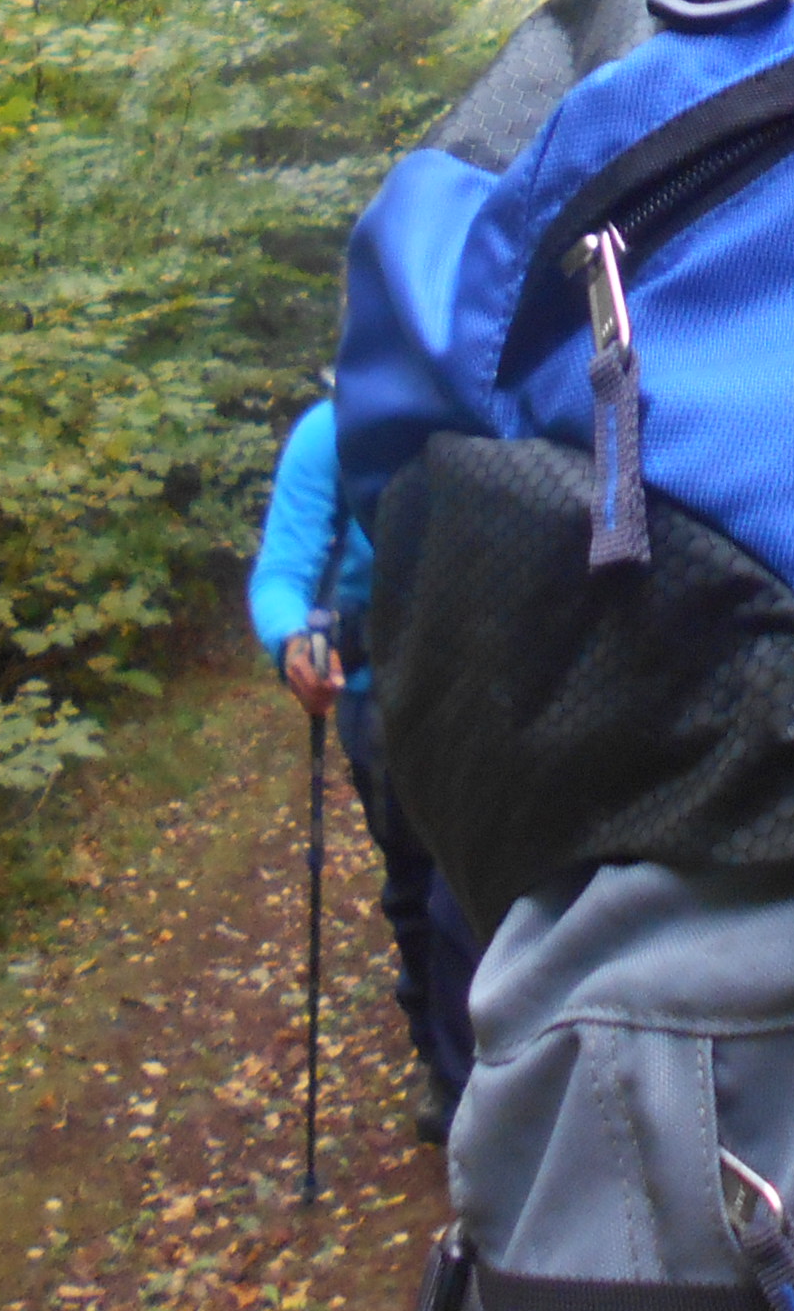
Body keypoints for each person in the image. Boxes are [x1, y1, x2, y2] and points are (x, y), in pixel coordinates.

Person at [249, 393, 475, 1142]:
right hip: (380, 699)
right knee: (416, 887)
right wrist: (291, 641)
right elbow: (282, 573)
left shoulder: (499, 405)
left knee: (468, 895)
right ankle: (443, 1063)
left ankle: (476, 1071)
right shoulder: (331, 434)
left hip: (488, 690)